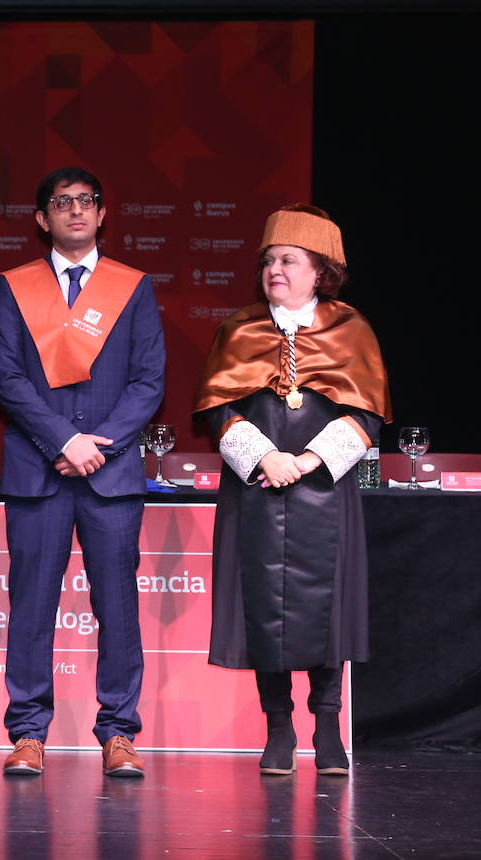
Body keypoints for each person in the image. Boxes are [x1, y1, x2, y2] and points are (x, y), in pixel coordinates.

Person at [192, 204, 390, 775]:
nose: (275, 270)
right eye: (269, 261)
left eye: (289, 260)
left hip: (325, 491)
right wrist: (265, 458)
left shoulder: (351, 329)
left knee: (330, 614)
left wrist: (306, 461)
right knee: (264, 611)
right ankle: (278, 729)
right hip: (257, 488)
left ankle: (327, 727)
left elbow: (368, 417)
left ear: (320, 271)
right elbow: (218, 411)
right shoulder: (239, 328)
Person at [0, 166, 165, 777]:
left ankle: (119, 732)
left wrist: (101, 444)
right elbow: (7, 379)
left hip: (110, 477)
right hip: (38, 469)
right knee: (31, 604)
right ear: (42, 218)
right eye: (61, 204)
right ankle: (28, 734)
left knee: (117, 606)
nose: (75, 211)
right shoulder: (15, 288)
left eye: (86, 201)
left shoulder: (132, 287)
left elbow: (148, 381)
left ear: (102, 211)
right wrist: (63, 439)